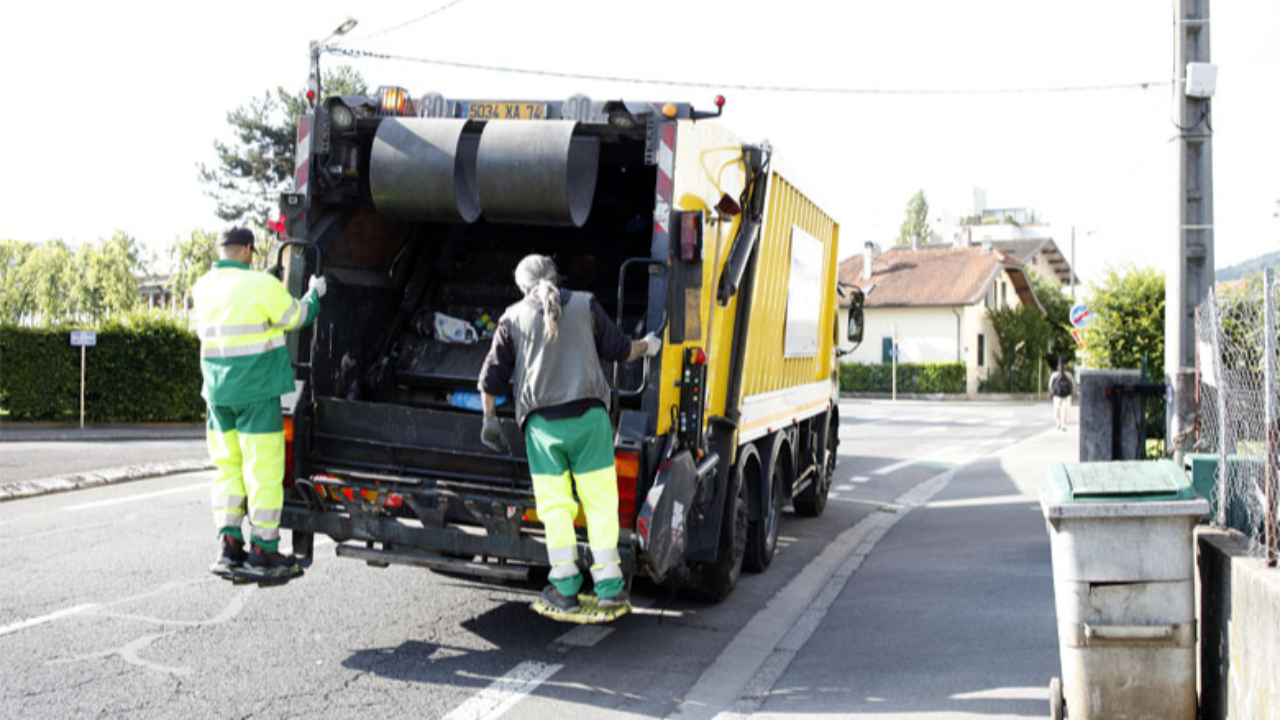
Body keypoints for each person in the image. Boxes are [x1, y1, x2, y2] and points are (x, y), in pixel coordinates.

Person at [477, 254, 660, 616]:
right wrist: (648, 346)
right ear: (555, 276)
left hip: (544, 429)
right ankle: (610, 589)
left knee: (556, 507)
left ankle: (564, 588)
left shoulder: (512, 318)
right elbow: (621, 350)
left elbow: (491, 378)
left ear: (522, 286)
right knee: (600, 502)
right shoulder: (586, 304)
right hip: (590, 421)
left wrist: (489, 419)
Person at [192, 227, 326, 584]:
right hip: (256, 393)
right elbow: (296, 316)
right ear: (248, 250)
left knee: (228, 468)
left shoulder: (202, 288)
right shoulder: (260, 285)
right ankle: (264, 549)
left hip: (217, 394)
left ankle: (228, 544)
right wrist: (315, 293)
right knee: (262, 469)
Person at [1049, 357, 1075, 431]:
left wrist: (1051, 392)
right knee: (1065, 409)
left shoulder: (1054, 375)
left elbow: (1050, 384)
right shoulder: (1068, 375)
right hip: (1066, 395)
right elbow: (1073, 384)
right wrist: (1072, 392)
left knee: (1057, 409)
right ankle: (1063, 424)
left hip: (1057, 395)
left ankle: (1059, 423)